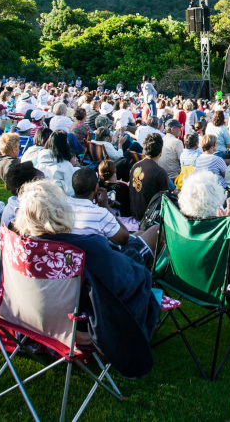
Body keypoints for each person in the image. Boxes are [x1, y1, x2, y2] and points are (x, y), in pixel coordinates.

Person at [11, 179, 160, 378]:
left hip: (27, 315)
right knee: (142, 256)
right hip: (72, 321)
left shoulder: (20, 247)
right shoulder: (84, 248)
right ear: (61, 211)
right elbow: (129, 281)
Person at [71, 168, 160, 264]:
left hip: (77, 258)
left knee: (140, 233)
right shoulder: (100, 214)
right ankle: (147, 273)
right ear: (96, 188)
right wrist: (106, 207)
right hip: (103, 263)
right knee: (157, 230)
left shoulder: (63, 209)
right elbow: (124, 238)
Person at [128, 133, 171, 220]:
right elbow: (165, 201)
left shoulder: (135, 166)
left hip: (135, 213)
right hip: (149, 217)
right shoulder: (160, 172)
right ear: (161, 151)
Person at [31, 130, 78, 197]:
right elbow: (70, 192)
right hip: (60, 202)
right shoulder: (66, 166)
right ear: (64, 145)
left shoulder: (39, 163)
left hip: (41, 199)